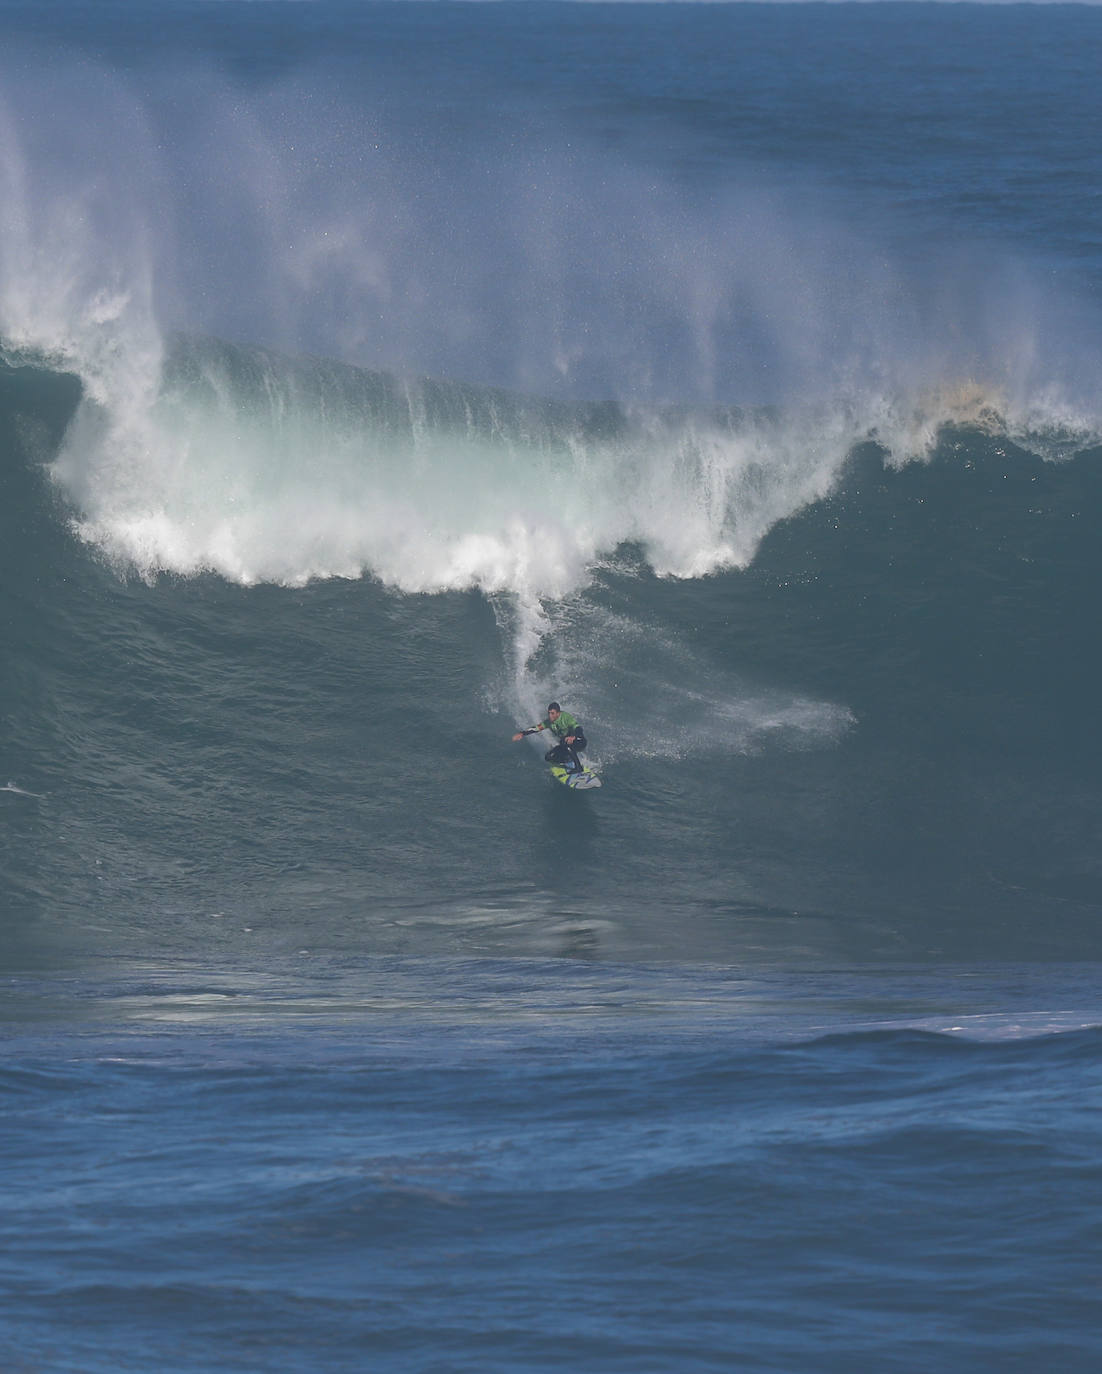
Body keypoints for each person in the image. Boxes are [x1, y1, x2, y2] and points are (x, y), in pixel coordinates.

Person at [512, 702, 588, 774]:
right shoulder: (548, 722)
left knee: (565, 743)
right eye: (549, 713)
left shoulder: (566, 717)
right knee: (548, 757)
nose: (550, 715)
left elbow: (578, 728)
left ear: (558, 713)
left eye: (552, 713)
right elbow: (536, 728)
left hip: (579, 742)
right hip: (565, 744)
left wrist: (572, 736)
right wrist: (522, 734)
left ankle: (578, 767)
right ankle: (568, 758)